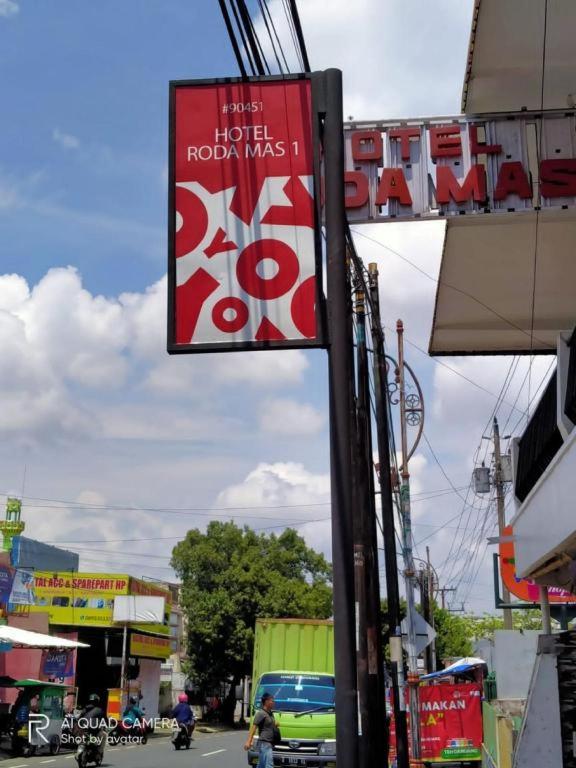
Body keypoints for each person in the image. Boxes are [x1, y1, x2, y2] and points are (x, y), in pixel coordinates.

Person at [244, 693, 277, 768]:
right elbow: (253, 728)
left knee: (261, 765)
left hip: (268, 743)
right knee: (269, 765)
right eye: (272, 701)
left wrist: (275, 724)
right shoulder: (261, 713)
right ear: (266, 702)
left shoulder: (270, 713)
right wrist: (249, 741)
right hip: (264, 743)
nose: (273, 702)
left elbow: (269, 724)